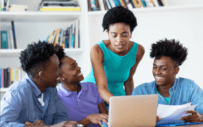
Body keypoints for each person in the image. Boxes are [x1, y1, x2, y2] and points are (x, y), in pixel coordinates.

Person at [0, 41, 77, 127]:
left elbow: (62, 118)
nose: (60, 72)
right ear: (42, 75)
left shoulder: (51, 89)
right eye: (56, 69)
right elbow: (2, 123)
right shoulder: (17, 92)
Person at [83, 6, 145, 107]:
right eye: (114, 35)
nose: (119, 40)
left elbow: (128, 79)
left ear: (131, 33)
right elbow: (101, 88)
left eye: (124, 35)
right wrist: (119, 106)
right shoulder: (97, 50)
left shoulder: (138, 51)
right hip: (92, 97)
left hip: (117, 97)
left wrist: (132, 105)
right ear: (108, 33)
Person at [132, 38, 203, 123]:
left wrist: (200, 117)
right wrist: (143, 121)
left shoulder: (189, 87)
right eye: (155, 67)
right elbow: (129, 120)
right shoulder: (140, 92)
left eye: (163, 68)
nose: (157, 72)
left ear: (176, 70)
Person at [54, 45, 108, 127]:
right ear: (61, 76)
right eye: (72, 67)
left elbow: (106, 116)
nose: (79, 68)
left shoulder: (91, 87)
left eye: (76, 64)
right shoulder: (57, 98)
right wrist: (88, 119)